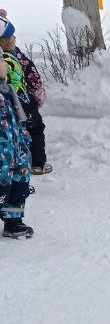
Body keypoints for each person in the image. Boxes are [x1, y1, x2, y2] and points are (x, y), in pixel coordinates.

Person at [0, 13, 50, 175]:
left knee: (18, 133)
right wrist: (37, 93)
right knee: (34, 129)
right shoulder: (10, 58)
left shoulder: (11, 55)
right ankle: (37, 163)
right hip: (22, 102)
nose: (15, 38)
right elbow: (30, 75)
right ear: (3, 41)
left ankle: (19, 164)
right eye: (11, 36)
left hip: (14, 104)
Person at [0, 48, 34, 238]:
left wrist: (23, 143)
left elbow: (17, 120)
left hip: (14, 151)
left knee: (18, 185)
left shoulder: (7, 91)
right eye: (1, 61)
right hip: (3, 155)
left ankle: (13, 222)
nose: (5, 64)